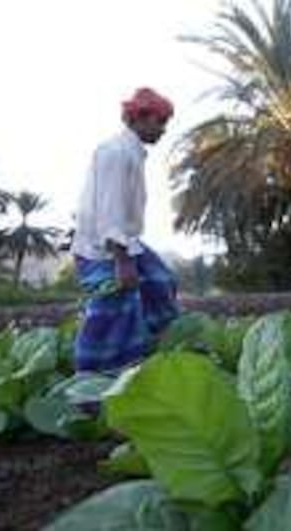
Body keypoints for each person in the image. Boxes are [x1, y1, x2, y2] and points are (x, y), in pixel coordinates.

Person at [70, 87, 180, 374]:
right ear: (139, 118)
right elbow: (111, 209)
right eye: (160, 122)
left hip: (128, 242)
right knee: (111, 314)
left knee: (161, 283)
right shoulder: (116, 153)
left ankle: (144, 351)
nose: (163, 130)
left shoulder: (132, 153)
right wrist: (122, 261)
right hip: (103, 249)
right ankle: (89, 381)